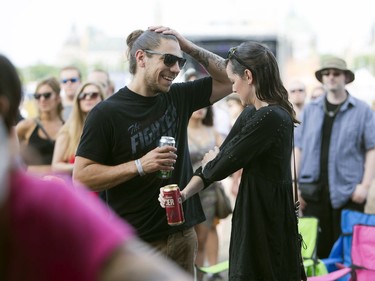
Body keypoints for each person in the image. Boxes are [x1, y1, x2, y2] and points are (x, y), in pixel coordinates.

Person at [0, 54, 193, 281]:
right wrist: (140, 165)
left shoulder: (44, 203)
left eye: (94, 95)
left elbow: (130, 264)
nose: (88, 99)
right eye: (85, 95)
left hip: (96, 205)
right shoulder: (61, 138)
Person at [73, 26, 232, 275]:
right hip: (136, 242)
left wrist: (187, 46)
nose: (176, 69)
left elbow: (230, 78)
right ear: (141, 58)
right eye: (169, 60)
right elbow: (82, 177)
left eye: (180, 61)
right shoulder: (106, 113)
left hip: (182, 234)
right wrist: (140, 165)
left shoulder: (178, 97)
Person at [159, 42, 304, 281]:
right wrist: (183, 194)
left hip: (266, 211)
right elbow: (218, 162)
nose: (233, 88)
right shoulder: (253, 113)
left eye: (233, 80)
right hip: (255, 205)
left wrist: (214, 161)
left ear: (248, 76)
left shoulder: (272, 116)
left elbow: (222, 162)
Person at [294, 56, 375, 258]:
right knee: (316, 254)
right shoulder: (309, 111)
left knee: (349, 254)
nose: (331, 77)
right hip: (312, 193)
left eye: (336, 73)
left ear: (346, 77)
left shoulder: (362, 110)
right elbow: (298, 149)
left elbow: (372, 149)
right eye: (326, 73)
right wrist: (294, 186)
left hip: (349, 191)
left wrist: (365, 186)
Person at [188, 105, 223, 281]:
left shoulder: (212, 130)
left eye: (205, 106)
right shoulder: (181, 130)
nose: (201, 109)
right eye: (197, 105)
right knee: (191, 237)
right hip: (188, 190)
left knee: (204, 234)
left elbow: (228, 155)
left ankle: (205, 274)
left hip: (209, 190)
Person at [52, 81, 105, 175]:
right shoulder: (67, 131)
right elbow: (55, 166)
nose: (88, 98)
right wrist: (82, 167)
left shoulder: (110, 128)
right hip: (77, 188)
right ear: (78, 101)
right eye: (83, 95)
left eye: (93, 95)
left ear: (102, 98)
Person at [16, 77, 64, 174]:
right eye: (37, 96)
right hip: (33, 184)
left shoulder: (68, 127)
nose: (42, 99)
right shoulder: (27, 125)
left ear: (58, 98)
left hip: (61, 184)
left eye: (47, 95)